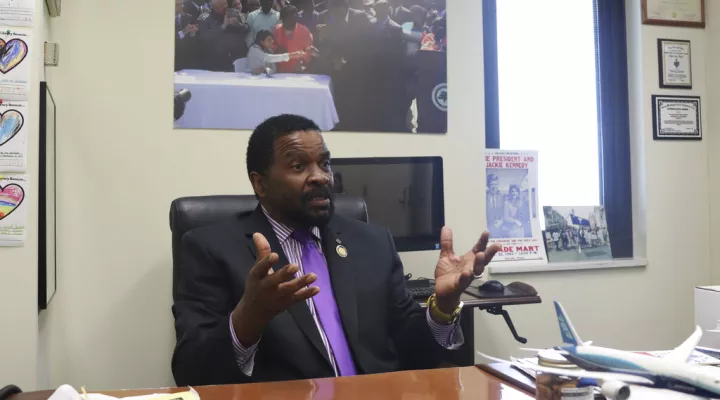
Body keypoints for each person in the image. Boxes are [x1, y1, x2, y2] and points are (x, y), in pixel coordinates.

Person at [171, 114, 499, 385]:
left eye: (325, 164)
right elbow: (192, 370)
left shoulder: (371, 243)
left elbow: (412, 350)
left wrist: (443, 306)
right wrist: (248, 319)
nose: (320, 177)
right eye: (299, 166)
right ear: (260, 183)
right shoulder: (210, 249)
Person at [197, 0, 250, 71]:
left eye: (226, 3)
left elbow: (247, 28)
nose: (225, 6)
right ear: (214, 7)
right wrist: (223, 26)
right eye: (221, 5)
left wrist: (238, 25)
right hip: (215, 61)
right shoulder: (204, 17)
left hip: (236, 59)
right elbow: (205, 37)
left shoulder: (235, 13)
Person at [273, 5, 316, 73]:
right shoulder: (276, 30)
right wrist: (276, 49)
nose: (294, 19)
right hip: (280, 72)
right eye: (291, 18)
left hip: (298, 73)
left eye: (295, 17)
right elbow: (271, 46)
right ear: (282, 19)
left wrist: (303, 62)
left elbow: (309, 50)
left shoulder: (304, 30)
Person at [175, 0, 200, 71]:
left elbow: (193, 39)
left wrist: (193, 32)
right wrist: (183, 32)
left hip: (187, 59)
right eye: (177, 5)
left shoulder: (188, 17)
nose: (181, 6)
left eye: (182, 4)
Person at [485, 174, 504, 238]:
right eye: (492, 184)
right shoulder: (484, 196)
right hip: (486, 229)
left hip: (498, 229)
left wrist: (501, 221)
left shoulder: (501, 197)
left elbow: (504, 212)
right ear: (488, 185)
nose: (494, 186)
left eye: (496, 184)